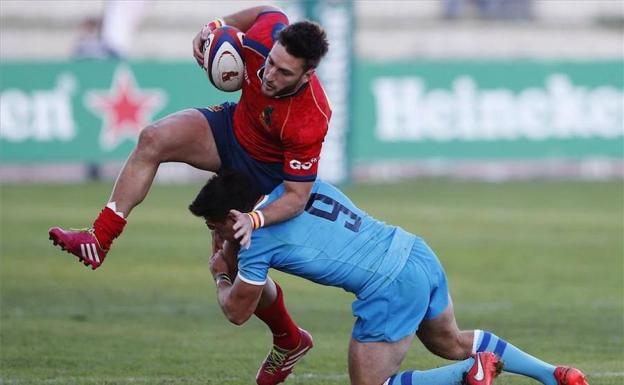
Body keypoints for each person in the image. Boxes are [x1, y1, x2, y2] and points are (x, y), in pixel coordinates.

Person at [49, 6, 330, 385]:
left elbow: (296, 195)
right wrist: (214, 28)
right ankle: (100, 238)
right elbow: (266, 11)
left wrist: (255, 219)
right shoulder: (269, 33)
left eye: (284, 73)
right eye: (271, 63)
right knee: (153, 138)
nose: (269, 75)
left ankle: (289, 339)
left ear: (308, 74)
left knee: (232, 275)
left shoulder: (311, 116)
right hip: (231, 128)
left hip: (262, 174)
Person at [188, 169, 590, 385]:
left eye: (215, 226)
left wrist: (221, 275)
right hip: (415, 251)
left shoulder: (257, 243)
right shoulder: (299, 186)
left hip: (389, 286)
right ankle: (555, 375)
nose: (216, 235)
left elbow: (238, 311)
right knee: (451, 341)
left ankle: (466, 375)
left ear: (234, 216)